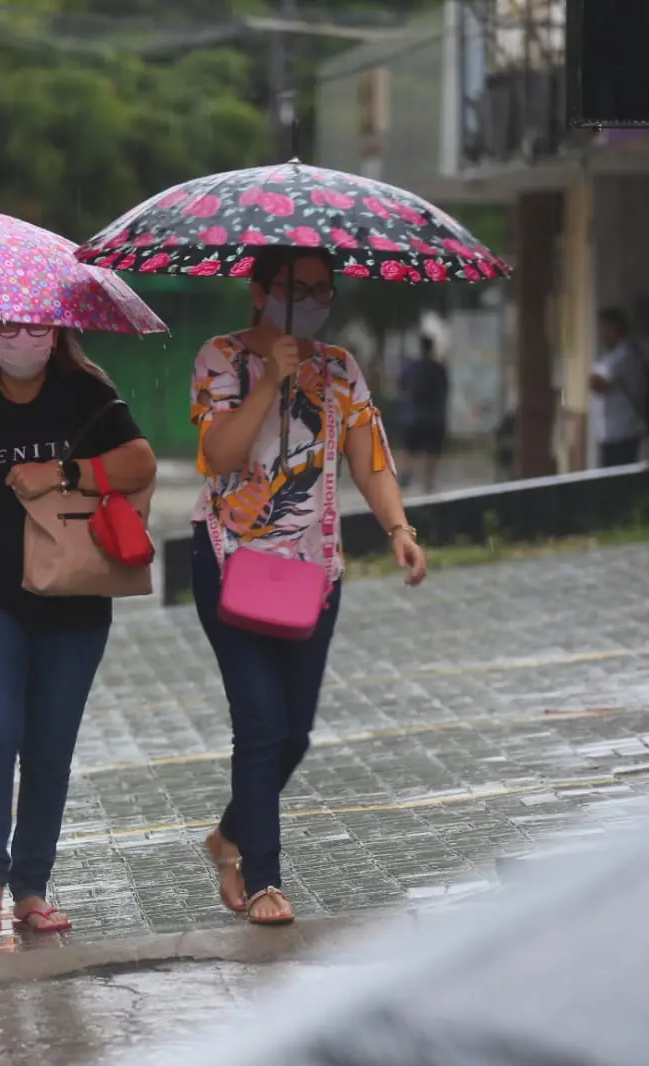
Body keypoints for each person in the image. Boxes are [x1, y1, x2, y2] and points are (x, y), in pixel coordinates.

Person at [189, 247, 428, 926]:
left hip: (309, 571)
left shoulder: (339, 368)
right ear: (261, 290)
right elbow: (217, 455)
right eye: (299, 288)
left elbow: (368, 458)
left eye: (325, 289)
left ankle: (229, 835)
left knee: (293, 733)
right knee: (259, 723)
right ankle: (263, 879)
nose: (316, 299)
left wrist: (397, 528)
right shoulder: (219, 358)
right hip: (229, 561)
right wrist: (269, 382)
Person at [0, 320, 157, 937]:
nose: (24, 338)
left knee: (50, 749)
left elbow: (139, 462)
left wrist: (65, 473)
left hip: (72, 598)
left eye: (37, 326)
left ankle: (31, 888)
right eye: (9, 328)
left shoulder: (86, 393)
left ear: (56, 332)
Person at [589, 307, 649, 467]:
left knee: (619, 483)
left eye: (603, 329)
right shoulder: (612, 357)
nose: (600, 335)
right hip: (612, 434)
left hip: (622, 434)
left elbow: (596, 384)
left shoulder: (625, 355)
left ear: (614, 328)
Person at [399, 335, 450, 493]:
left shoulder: (412, 367)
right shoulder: (439, 368)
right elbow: (445, 389)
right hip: (434, 417)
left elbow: (401, 385)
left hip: (414, 416)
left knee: (409, 448)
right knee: (432, 450)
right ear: (432, 348)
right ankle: (427, 482)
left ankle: (406, 472)